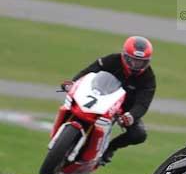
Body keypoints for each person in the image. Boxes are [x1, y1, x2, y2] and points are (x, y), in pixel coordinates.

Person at [61, 36, 155, 165]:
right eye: (132, 60)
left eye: (140, 62)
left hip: (124, 108)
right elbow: (89, 71)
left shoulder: (148, 78)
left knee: (139, 135)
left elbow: (143, 104)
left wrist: (131, 116)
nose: (135, 65)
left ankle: (110, 148)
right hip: (100, 96)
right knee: (73, 103)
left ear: (147, 62)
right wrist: (73, 83)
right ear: (124, 56)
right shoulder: (112, 60)